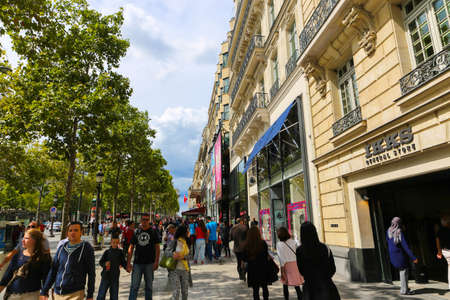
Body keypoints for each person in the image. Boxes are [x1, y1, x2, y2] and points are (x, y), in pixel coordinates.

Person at [40, 221, 95, 300]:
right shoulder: (61, 248)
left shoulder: (86, 248)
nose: (73, 233)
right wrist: (44, 291)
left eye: (76, 230)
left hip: (75, 293)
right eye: (70, 230)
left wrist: (90, 295)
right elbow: (53, 270)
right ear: (67, 233)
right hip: (57, 293)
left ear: (81, 232)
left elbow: (91, 273)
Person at [0, 229, 51, 300]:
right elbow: (8, 274)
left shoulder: (44, 257)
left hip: (32, 295)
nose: (22, 241)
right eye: (23, 238)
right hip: (13, 294)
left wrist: (44, 293)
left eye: (26, 238)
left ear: (35, 240)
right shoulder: (18, 255)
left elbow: (46, 277)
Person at [296, 222, 340, 300]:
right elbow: (332, 269)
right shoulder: (325, 248)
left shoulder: (300, 250)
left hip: (310, 289)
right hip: (327, 287)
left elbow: (301, 270)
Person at [127, 213, 161, 300]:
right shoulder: (136, 232)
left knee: (149, 287)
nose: (145, 221)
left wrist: (156, 261)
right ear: (140, 220)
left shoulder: (153, 232)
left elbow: (157, 248)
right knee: (134, 287)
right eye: (143, 219)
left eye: (146, 220)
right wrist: (128, 263)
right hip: (137, 263)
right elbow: (131, 247)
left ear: (149, 221)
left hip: (149, 264)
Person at [386, 217, 417, 295]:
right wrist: (413, 257)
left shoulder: (388, 231)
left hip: (392, 254)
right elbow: (405, 246)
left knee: (401, 271)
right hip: (399, 255)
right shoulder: (399, 232)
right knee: (404, 271)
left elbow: (388, 242)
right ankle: (404, 290)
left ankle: (404, 288)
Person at [242, 226, 273, 300]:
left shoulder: (247, 245)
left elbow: (244, 258)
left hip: (253, 269)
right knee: (264, 287)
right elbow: (266, 255)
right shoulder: (263, 243)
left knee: (255, 290)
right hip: (263, 268)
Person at [276, 227, 303, 300]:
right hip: (295, 265)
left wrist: (282, 272)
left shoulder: (279, 244)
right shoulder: (293, 242)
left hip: (286, 266)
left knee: (285, 285)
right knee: (297, 286)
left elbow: (281, 259)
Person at [168, 226, 190, 300]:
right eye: (187, 231)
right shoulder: (174, 241)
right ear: (183, 232)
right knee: (176, 291)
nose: (188, 232)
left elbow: (188, 256)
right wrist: (173, 255)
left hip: (185, 269)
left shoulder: (186, 242)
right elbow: (166, 252)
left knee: (185, 292)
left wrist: (183, 257)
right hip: (174, 269)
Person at [436, 215, 450, 290]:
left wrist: (439, 251)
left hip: (444, 251)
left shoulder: (439, 231)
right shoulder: (447, 230)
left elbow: (437, 241)